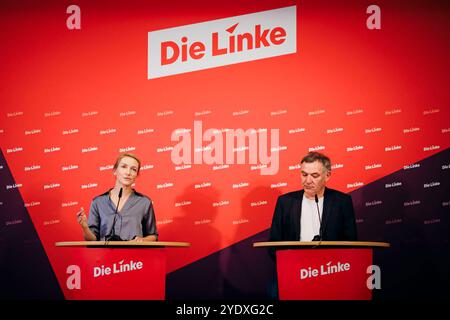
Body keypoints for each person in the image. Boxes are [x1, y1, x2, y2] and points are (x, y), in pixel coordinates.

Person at [269, 152, 357, 243]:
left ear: (327, 176)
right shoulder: (285, 202)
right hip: (295, 257)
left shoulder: (342, 202)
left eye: (315, 176)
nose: (308, 181)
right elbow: (274, 243)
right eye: (304, 174)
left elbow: (350, 242)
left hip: (330, 257)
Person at [76, 153, 158, 242]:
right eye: (124, 167)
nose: (128, 172)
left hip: (134, 254)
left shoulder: (144, 202)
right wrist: (84, 227)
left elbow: (153, 236)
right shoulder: (98, 202)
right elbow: (92, 240)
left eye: (133, 169)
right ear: (115, 170)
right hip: (106, 255)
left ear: (136, 175)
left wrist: (142, 240)